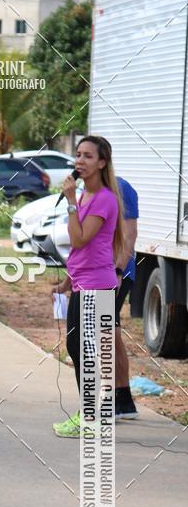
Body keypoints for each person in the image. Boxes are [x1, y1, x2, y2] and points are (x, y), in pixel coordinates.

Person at [51, 135, 124, 438]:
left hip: (97, 286)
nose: (80, 161)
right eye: (78, 155)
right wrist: (67, 281)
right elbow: (82, 250)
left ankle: (91, 417)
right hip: (84, 283)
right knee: (79, 347)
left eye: (88, 156)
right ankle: (90, 414)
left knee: (84, 348)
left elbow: (80, 238)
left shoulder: (104, 198)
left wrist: (69, 202)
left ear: (102, 162)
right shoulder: (85, 196)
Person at [114, 176, 139, 419]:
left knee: (106, 333)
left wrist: (118, 270)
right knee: (110, 332)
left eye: (88, 156)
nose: (80, 162)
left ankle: (114, 399)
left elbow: (130, 235)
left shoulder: (121, 187)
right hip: (96, 274)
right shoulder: (86, 189)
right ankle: (123, 400)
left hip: (116, 274)